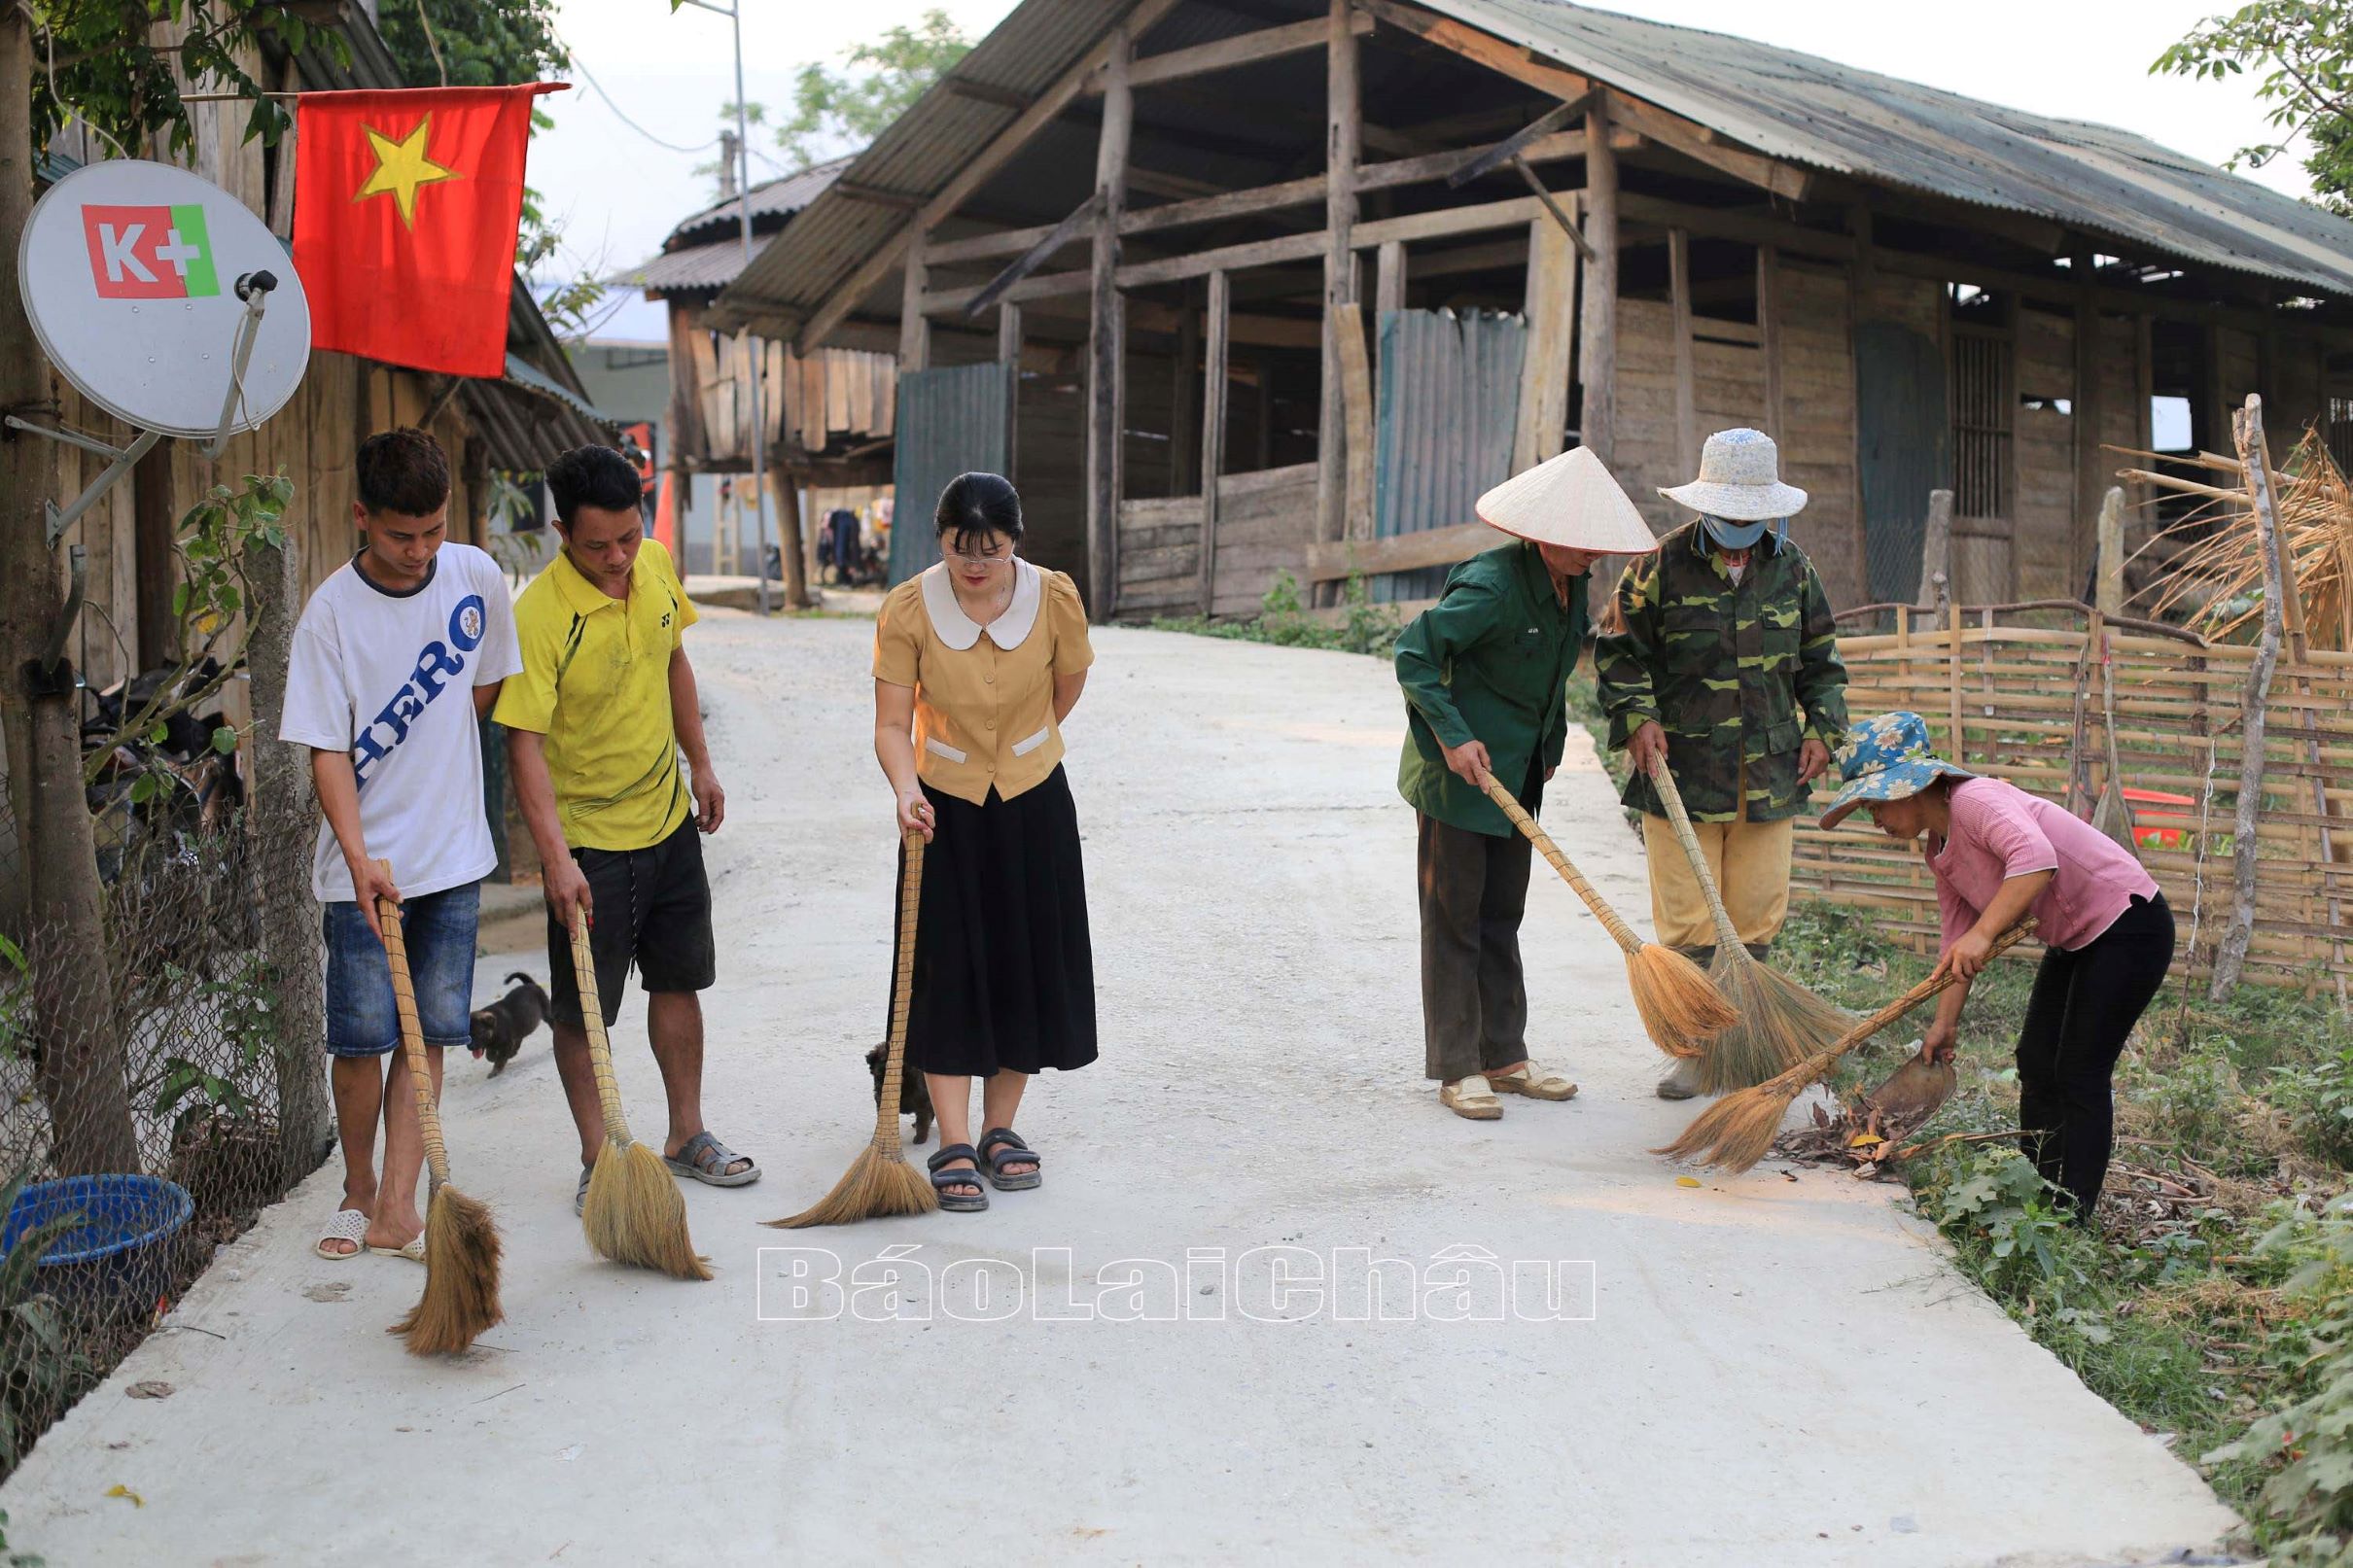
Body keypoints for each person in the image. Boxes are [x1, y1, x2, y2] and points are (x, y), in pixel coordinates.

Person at [279, 428, 521, 1261]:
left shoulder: (474, 576)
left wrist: (442, 777)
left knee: (433, 1035)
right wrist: (357, 854)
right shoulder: (329, 617)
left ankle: (397, 1203)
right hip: (363, 869)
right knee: (361, 1039)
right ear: (361, 518)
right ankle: (353, 1189)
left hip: (452, 862)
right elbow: (326, 750)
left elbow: (484, 685)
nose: (420, 552)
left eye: (432, 531)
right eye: (398, 535)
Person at [496, 444, 757, 1214]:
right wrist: (554, 860)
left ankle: (687, 1135)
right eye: (597, 546)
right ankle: (600, 1155)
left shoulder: (654, 565)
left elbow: (674, 657)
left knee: (679, 979)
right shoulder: (538, 617)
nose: (617, 559)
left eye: (627, 537)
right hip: (588, 845)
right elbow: (524, 744)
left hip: (668, 823)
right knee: (584, 1010)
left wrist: (700, 764)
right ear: (559, 532)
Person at [1393, 447, 1661, 1121]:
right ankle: (1458, 1067)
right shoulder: (1490, 585)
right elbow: (1414, 655)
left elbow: (1552, 679)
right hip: (1458, 779)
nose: (1593, 556)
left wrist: (1551, 745)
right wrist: (1454, 738)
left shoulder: (1571, 587)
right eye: (1581, 544)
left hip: (1514, 779)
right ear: (1542, 534)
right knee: (1454, 918)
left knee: (1500, 915)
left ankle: (1504, 1056)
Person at [1822, 712, 2174, 1220]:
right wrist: (1944, 1025)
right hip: (2076, 939)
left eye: (1875, 804)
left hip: (2128, 923)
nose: (1874, 819)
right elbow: (1956, 942)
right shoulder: (1938, 850)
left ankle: (2071, 1213)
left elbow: (2037, 859)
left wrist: (1984, 933)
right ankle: (2037, 1190)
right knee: (2035, 1060)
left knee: (2079, 1071)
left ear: (1911, 786)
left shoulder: (1977, 801)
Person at [1594, 427, 1848, 1100]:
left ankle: (1743, 1043)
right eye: (1727, 514)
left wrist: (1823, 727)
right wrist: (1638, 718)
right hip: (1680, 772)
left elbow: (1823, 662)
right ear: (1704, 504)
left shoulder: (1794, 569)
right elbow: (1619, 654)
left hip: (1769, 774)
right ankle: (1693, 1050)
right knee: (1688, 923)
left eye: (1749, 515)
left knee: (1755, 914)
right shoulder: (1657, 565)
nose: (1738, 527)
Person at [872, 471, 1096, 1211]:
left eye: (991, 550)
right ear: (940, 540)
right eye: (961, 549)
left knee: (1024, 960)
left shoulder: (1054, 597)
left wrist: (1026, 745)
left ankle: (1003, 1129)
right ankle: (955, 1139)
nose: (975, 564)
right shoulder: (908, 609)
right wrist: (908, 788)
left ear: (1015, 541)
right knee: (949, 966)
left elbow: (1067, 685)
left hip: (1035, 800)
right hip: (946, 805)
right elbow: (890, 722)